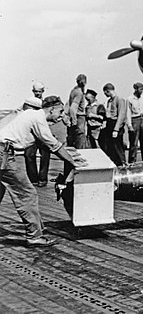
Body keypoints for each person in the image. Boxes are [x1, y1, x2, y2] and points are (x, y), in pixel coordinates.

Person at [0, 96, 77, 247]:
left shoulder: (30, 114)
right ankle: (34, 236)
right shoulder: (39, 118)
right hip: (4, 155)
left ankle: (38, 228)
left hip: (2, 150)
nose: (61, 116)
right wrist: (74, 162)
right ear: (51, 109)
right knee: (27, 194)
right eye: (60, 111)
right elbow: (53, 145)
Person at [24, 82, 51, 187]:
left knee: (45, 154)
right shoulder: (29, 103)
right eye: (36, 91)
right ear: (33, 91)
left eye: (39, 91)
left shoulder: (46, 104)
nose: (38, 93)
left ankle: (43, 179)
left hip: (43, 132)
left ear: (43, 91)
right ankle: (33, 178)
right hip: (32, 133)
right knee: (29, 154)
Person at [103, 83, 127, 167]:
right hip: (110, 124)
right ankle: (116, 163)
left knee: (118, 146)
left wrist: (116, 129)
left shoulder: (119, 100)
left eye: (105, 93)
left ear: (108, 91)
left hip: (116, 124)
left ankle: (122, 163)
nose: (105, 95)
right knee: (111, 145)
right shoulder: (110, 101)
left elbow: (121, 115)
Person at [126, 82, 143, 163]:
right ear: (136, 89)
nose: (142, 91)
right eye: (140, 89)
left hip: (142, 119)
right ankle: (132, 161)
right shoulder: (129, 99)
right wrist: (129, 125)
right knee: (134, 142)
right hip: (134, 120)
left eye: (142, 89)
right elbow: (128, 112)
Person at [66, 74, 88, 150]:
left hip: (74, 118)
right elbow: (73, 108)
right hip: (79, 118)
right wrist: (74, 120)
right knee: (80, 139)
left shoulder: (73, 91)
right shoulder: (79, 93)